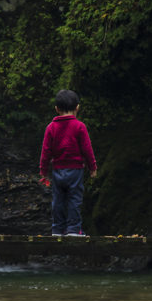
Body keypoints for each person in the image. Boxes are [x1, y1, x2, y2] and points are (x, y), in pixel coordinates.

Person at [39, 89, 97, 237]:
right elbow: (87, 149)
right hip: (75, 171)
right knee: (74, 200)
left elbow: (46, 151)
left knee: (58, 201)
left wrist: (43, 172)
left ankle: (57, 230)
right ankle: (73, 230)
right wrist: (92, 167)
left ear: (57, 109)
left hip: (58, 171)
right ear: (77, 107)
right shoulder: (80, 126)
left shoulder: (51, 128)